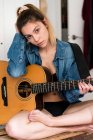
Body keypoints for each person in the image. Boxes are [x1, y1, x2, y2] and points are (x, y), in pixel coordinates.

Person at [5, 3, 93, 140]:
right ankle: (74, 127)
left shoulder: (72, 49)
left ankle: (52, 123)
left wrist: (79, 91)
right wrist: (18, 34)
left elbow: (71, 96)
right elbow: (15, 72)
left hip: (67, 107)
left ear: (45, 22)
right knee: (13, 128)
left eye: (36, 30)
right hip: (38, 109)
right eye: (28, 36)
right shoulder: (26, 53)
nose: (36, 39)